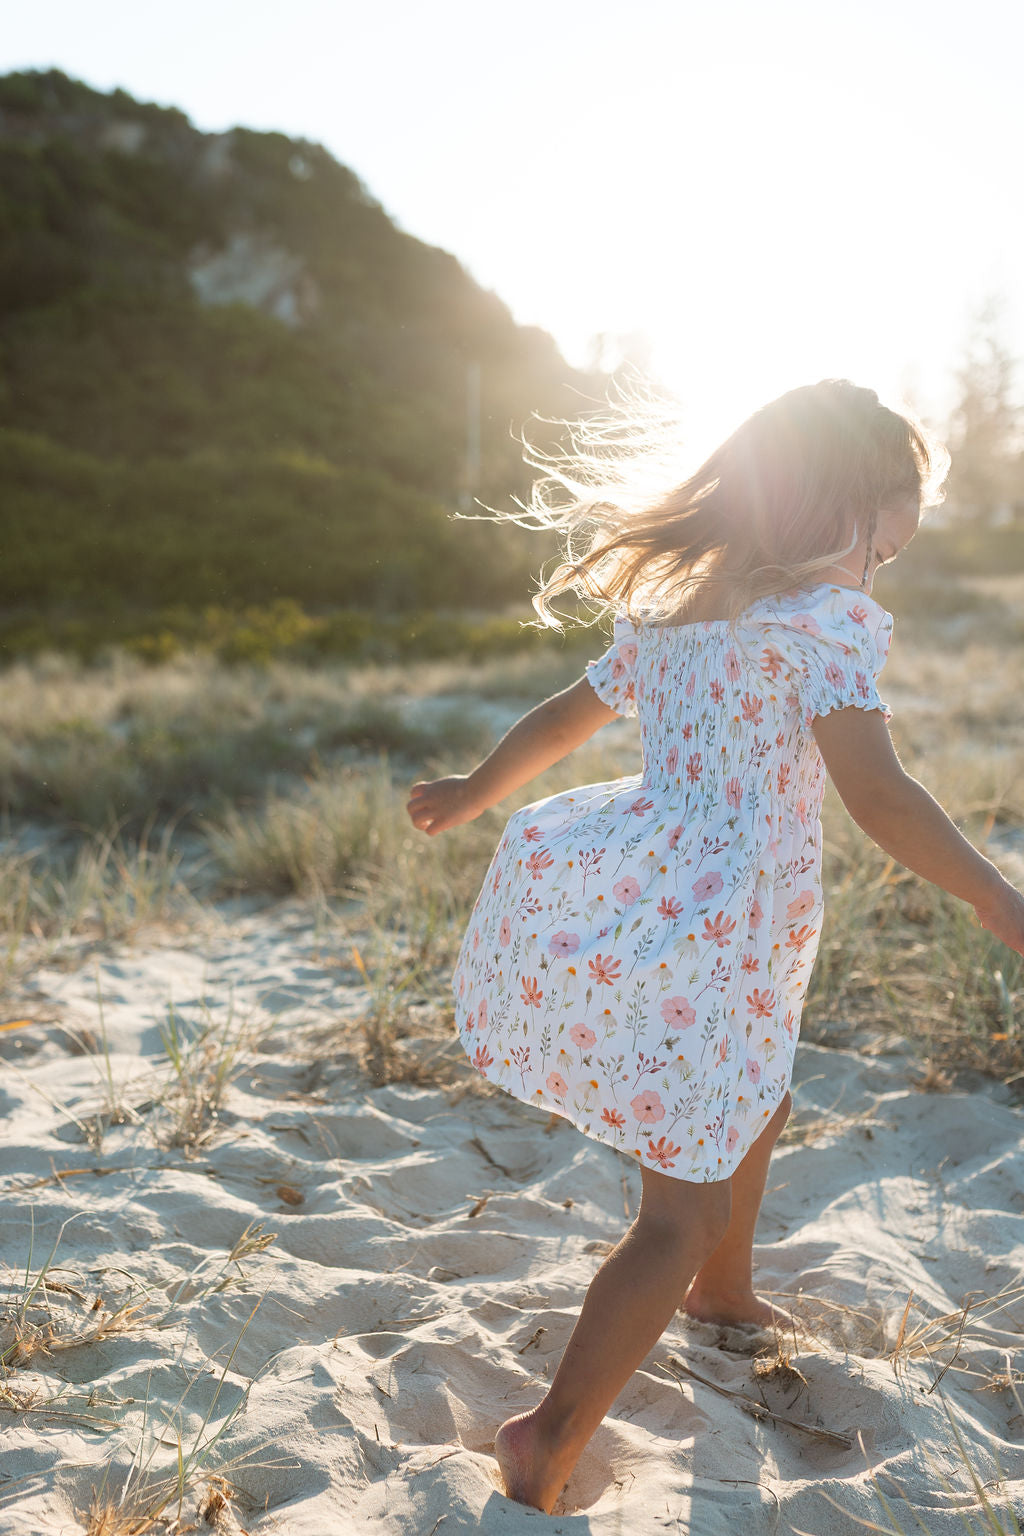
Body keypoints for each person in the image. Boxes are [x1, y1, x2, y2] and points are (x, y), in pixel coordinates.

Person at [406, 379, 1024, 1515]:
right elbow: (879, 796)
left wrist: (471, 789)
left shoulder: (678, 612)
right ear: (835, 506)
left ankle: (724, 1296)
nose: (875, 576)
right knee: (673, 1213)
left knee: (759, 1097)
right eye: (880, 548)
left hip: (679, 915)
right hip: (719, 936)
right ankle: (547, 1437)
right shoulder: (822, 625)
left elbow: (559, 720)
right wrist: (992, 894)